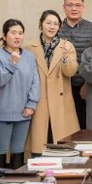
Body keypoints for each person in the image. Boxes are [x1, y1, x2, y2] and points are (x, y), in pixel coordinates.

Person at [24, 10, 79, 156]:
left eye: (55, 24)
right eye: (48, 23)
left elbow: (71, 72)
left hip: (61, 102)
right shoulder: (29, 47)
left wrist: (65, 57)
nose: (52, 27)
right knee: (40, 147)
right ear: (40, 24)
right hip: (39, 101)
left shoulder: (67, 46)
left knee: (61, 147)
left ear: (59, 27)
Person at [0, 19, 39, 169]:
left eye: (20, 33)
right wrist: (12, 63)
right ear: (4, 36)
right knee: (1, 150)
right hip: (2, 113)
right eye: (13, 33)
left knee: (18, 150)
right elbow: (0, 80)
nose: (17, 36)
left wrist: (31, 104)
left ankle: (17, 181)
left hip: (24, 112)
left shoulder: (29, 56)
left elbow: (35, 81)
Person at [58, 0, 92, 130]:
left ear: (83, 7)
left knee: (83, 125)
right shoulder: (56, 28)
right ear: (64, 7)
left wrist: (87, 84)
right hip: (60, 86)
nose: (74, 8)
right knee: (63, 127)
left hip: (84, 86)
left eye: (78, 5)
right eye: (70, 5)